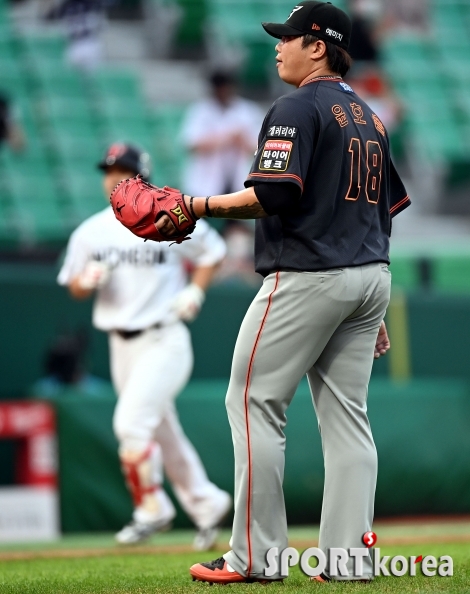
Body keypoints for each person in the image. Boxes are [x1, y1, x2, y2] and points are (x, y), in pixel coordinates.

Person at [146, 0, 410, 583]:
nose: (277, 46)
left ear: (318, 46)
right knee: (348, 421)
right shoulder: (370, 116)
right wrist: (373, 300)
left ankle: (255, 557)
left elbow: (272, 195)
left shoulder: (296, 106)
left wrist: (196, 206)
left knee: (252, 402)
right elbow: (380, 214)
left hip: (309, 273)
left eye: (288, 38)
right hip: (368, 274)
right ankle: (348, 561)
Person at [57, 142, 231, 550]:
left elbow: (213, 252)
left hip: (163, 337)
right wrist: (88, 281)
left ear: (141, 177)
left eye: (124, 171)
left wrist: (195, 292)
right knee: (162, 432)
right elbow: (74, 285)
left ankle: (152, 509)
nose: (114, 178)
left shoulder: (165, 215)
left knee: (132, 425)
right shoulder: (91, 230)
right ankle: (207, 503)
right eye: (108, 171)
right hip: (121, 346)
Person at [180, 70, 264, 198]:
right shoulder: (200, 111)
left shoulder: (248, 111)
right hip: (206, 182)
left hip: (238, 179)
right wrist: (225, 139)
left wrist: (241, 140)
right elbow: (191, 144)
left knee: (237, 213)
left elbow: (260, 148)